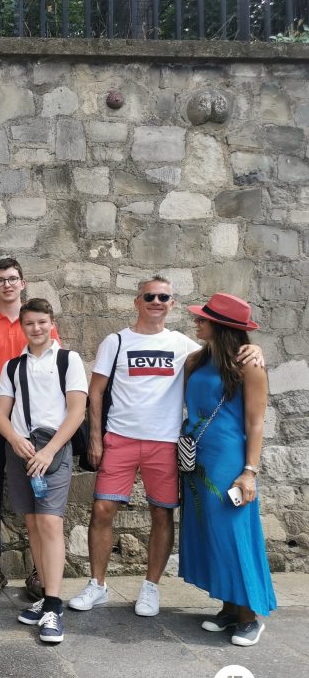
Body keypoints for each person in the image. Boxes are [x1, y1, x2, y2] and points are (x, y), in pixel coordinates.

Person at [68, 277, 262, 618]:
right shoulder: (115, 341)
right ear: (137, 301)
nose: (156, 301)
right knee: (102, 511)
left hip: (165, 442)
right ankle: (97, 586)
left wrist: (255, 348)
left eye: (164, 297)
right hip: (120, 438)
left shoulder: (186, 347)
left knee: (162, 513)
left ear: (172, 304)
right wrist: (96, 438)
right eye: (150, 296)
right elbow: (95, 392)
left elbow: (225, 353)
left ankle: (151, 588)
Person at [179, 294, 275, 646]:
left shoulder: (249, 365)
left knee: (232, 534)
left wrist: (249, 471)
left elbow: (256, 422)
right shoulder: (195, 359)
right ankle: (229, 609)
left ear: (220, 327)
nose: (196, 322)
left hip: (228, 461)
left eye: (203, 319)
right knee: (209, 532)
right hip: (195, 459)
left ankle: (250, 616)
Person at [0, 299, 86, 644]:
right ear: (22, 326)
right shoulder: (13, 366)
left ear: (52, 324)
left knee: (50, 521)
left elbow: (76, 411)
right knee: (31, 522)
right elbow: (1, 413)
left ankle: (54, 606)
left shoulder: (68, 360)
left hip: (53, 448)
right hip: (20, 449)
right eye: (29, 323)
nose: (36, 328)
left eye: (42, 322)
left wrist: (49, 450)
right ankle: (45, 596)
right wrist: (15, 440)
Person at [0, 258, 59, 599]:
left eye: (13, 279)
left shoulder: (38, 323)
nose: (7, 285)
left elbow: (57, 369)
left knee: (39, 497)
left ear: (23, 283)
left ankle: (40, 572)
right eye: (0, 280)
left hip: (35, 416)